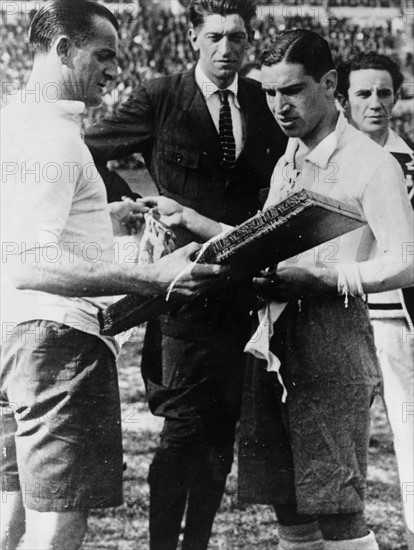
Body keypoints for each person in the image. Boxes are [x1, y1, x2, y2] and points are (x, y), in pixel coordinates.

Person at [145, 29, 414, 550]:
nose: (279, 106)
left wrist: (325, 278)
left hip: (333, 336)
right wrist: (195, 221)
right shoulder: (288, 155)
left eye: (291, 91)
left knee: (336, 506)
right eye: (269, 93)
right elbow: (265, 244)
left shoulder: (371, 164)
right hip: (272, 337)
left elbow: (406, 262)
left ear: (329, 83)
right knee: (287, 506)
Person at [0, 2, 224, 549]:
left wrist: (106, 223)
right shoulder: (53, 138)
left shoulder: (15, 120)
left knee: (11, 507)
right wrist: (153, 278)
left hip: (11, 336)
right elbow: (32, 260)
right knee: (55, 523)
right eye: (103, 55)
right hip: (55, 342)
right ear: (61, 50)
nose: (114, 70)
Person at [85, 1, 287, 548]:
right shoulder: (160, 95)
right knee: (181, 431)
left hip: (240, 296)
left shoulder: (259, 102)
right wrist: (135, 207)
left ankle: (196, 542)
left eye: (238, 39)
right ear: (193, 37)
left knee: (222, 433)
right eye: (215, 37)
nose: (227, 51)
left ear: (249, 41)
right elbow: (90, 150)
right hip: (179, 293)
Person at [336, 52, 414, 550]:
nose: (376, 103)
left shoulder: (410, 163)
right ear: (343, 98)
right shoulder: (323, 159)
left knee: (410, 435)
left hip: (396, 321)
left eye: (384, 92)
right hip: (337, 318)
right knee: (341, 443)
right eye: (363, 93)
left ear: (398, 97)